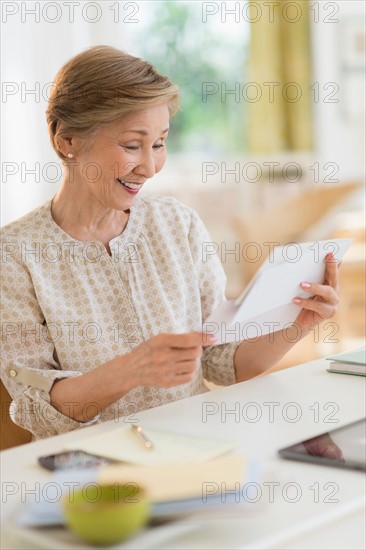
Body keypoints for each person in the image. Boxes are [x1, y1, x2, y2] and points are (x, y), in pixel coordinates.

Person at [0, 46, 340, 440]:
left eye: (159, 143)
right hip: (95, 474)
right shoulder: (14, 255)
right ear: (66, 140)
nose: (149, 167)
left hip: (199, 448)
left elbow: (222, 362)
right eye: (131, 145)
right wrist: (129, 370)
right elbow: (36, 411)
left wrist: (297, 324)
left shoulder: (178, 225)